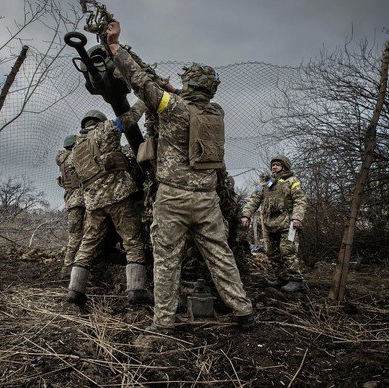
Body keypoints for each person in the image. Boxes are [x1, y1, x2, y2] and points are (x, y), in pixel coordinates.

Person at [106, 20, 254, 332]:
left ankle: (164, 322)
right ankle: (243, 312)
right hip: (207, 199)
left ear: (188, 86)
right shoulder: (216, 113)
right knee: (220, 256)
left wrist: (116, 47)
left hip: (172, 198)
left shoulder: (172, 107)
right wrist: (176, 90)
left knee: (166, 261)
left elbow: (140, 83)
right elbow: (184, 102)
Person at [67, 107, 152, 306]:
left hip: (93, 203)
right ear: (99, 121)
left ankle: (74, 290)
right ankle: (136, 290)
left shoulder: (77, 146)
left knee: (87, 244)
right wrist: (145, 98)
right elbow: (130, 118)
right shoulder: (106, 128)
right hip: (117, 197)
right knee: (132, 241)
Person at [240, 156, 308, 292]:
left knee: (287, 251)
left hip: (288, 224)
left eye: (277, 164)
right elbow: (254, 199)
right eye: (273, 165)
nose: (274, 167)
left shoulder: (292, 181)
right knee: (272, 252)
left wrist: (297, 218)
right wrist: (246, 215)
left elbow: (300, 200)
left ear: (284, 166)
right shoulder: (266, 183)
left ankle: (296, 280)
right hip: (270, 224)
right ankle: (281, 278)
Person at [56, 135, 85, 274]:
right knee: (77, 236)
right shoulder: (73, 158)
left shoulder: (63, 159)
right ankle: (68, 268)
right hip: (79, 200)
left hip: (71, 201)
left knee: (75, 235)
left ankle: (69, 267)